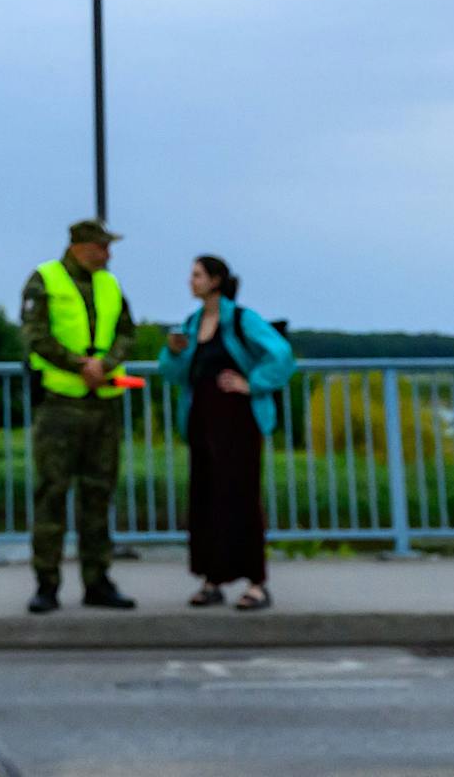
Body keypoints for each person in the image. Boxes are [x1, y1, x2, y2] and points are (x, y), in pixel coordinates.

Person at [158, 254, 297, 611]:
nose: (191, 281)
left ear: (216, 280)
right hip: (202, 421)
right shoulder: (192, 323)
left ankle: (257, 583)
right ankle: (212, 579)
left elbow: (281, 354)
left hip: (237, 422)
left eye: (197, 275)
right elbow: (174, 373)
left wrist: (252, 383)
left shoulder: (240, 319)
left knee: (240, 496)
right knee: (205, 497)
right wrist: (172, 353)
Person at [21, 219, 138, 614]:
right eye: (101, 246)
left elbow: (127, 331)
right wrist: (78, 365)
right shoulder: (45, 280)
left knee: (98, 494)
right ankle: (46, 583)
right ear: (79, 246)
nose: (107, 254)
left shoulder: (109, 284)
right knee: (51, 494)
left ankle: (97, 580)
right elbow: (36, 335)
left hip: (102, 404)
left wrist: (106, 364)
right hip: (60, 404)